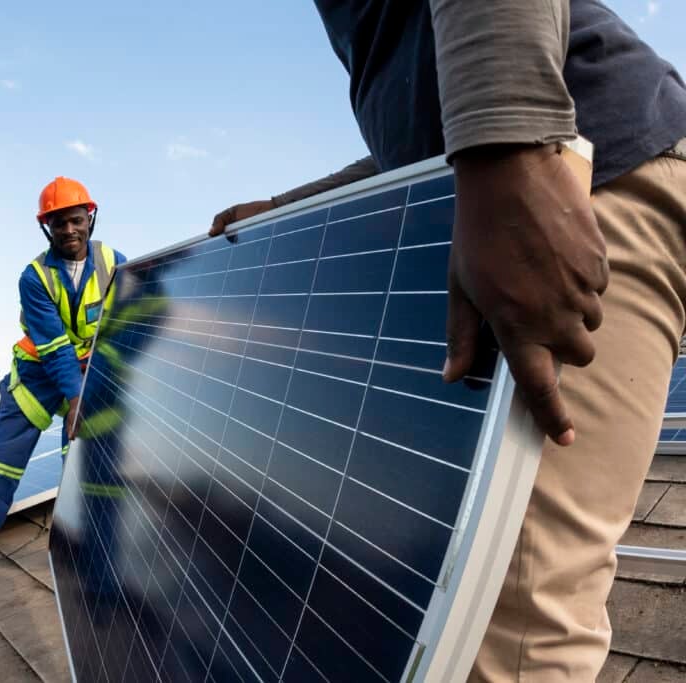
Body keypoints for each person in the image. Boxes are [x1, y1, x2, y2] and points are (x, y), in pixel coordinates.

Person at [211, 1, 686, 679]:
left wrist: (507, 143)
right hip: (528, 171)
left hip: (563, 176)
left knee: (495, 634)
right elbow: (422, 116)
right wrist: (305, 203)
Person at [0, 177, 126, 603]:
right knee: (0, 468)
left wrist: (98, 388)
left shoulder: (114, 263)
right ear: (46, 227)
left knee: (91, 468)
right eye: (59, 223)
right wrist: (75, 397)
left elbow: (127, 326)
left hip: (89, 374)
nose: (69, 230)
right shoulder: (33, 277)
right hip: (36, 377)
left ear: (90, 218)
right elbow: (53, 346)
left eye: (76, 220)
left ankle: (96, 568)